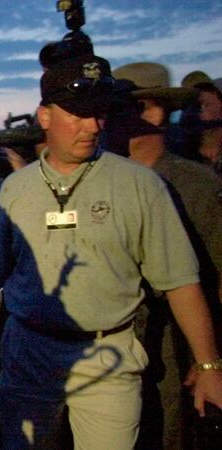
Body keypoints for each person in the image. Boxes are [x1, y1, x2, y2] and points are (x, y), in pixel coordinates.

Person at [0, 53, 222, 449]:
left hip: (108, 356)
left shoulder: (140, 186)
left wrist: (209, 366)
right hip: (28, 356)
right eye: (78, 114)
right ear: (44, 116)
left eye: (98, 113)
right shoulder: (14, 189)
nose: (93, 126)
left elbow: (181, 281)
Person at [107, 62, 222, 450]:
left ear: (155, 111)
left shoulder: (197, 184)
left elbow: (216, 275)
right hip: (114, 347)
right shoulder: (100, 180)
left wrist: (208, 359)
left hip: (174, 346)